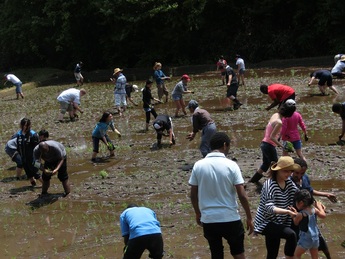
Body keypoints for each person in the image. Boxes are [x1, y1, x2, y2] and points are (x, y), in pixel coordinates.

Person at [189, 132, 254, 259]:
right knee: (238, 253)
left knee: (216, 254)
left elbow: (193, 195)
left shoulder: (198, 165)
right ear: (225, 145)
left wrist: (197, 213)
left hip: (209, 219)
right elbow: (242, 195)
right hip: (230, 218)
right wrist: (249, 217)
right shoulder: (231, 165)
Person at [254, 156, 300, 259]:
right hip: (266, 222)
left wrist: (315, 204)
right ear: (278, 170)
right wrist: (288, 212)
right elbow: (270, 208)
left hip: (279, 221)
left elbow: (299, 195)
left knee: (272, 254)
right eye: (285, 171)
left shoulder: (288, 182)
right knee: (291, 235)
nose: (288, 174)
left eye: (290, 171)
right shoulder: (269, 184)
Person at [291, 158, 336, 259]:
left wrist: (324, 196)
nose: (299, 176)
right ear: (292, 170)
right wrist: (318, 207)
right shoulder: (289, 182)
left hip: (303, 215)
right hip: (302, 216)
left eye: (302, 173)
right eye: (297, 173)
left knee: (301, 250)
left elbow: (309, 193)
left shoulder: (305, 178)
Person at [249, 100, 296, 184]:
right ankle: (273, 182)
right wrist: (282, 146)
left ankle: (253, 181)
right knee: (276, 165)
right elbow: (272, 137)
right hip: (269, 145)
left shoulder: (275, 115)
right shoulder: (279, 123)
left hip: (264, 143)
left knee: (266, 164)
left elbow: (268, 130)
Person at [291, 189, 326, 259]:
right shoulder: (314, 210)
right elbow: (323, 215)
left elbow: (296, 223)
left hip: (306, 238)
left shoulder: (301, 214)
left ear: (300, 203)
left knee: (296, 255)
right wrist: (319, 207)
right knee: (315, 257)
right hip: (315, 238)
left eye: (296, 202)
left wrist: (293, 215)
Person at [16, 118, 42, 186]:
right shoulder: (19, 134)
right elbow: (18, 146)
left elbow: (38, 148)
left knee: (36, 173)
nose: (25, 127)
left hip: (32, 158)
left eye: (26, 125)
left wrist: (38, 159)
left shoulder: (33, 134)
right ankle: (33, 185)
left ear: (29, 125)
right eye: (23, 125)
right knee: (29, 174)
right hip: (24, 158)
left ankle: (46, 185)